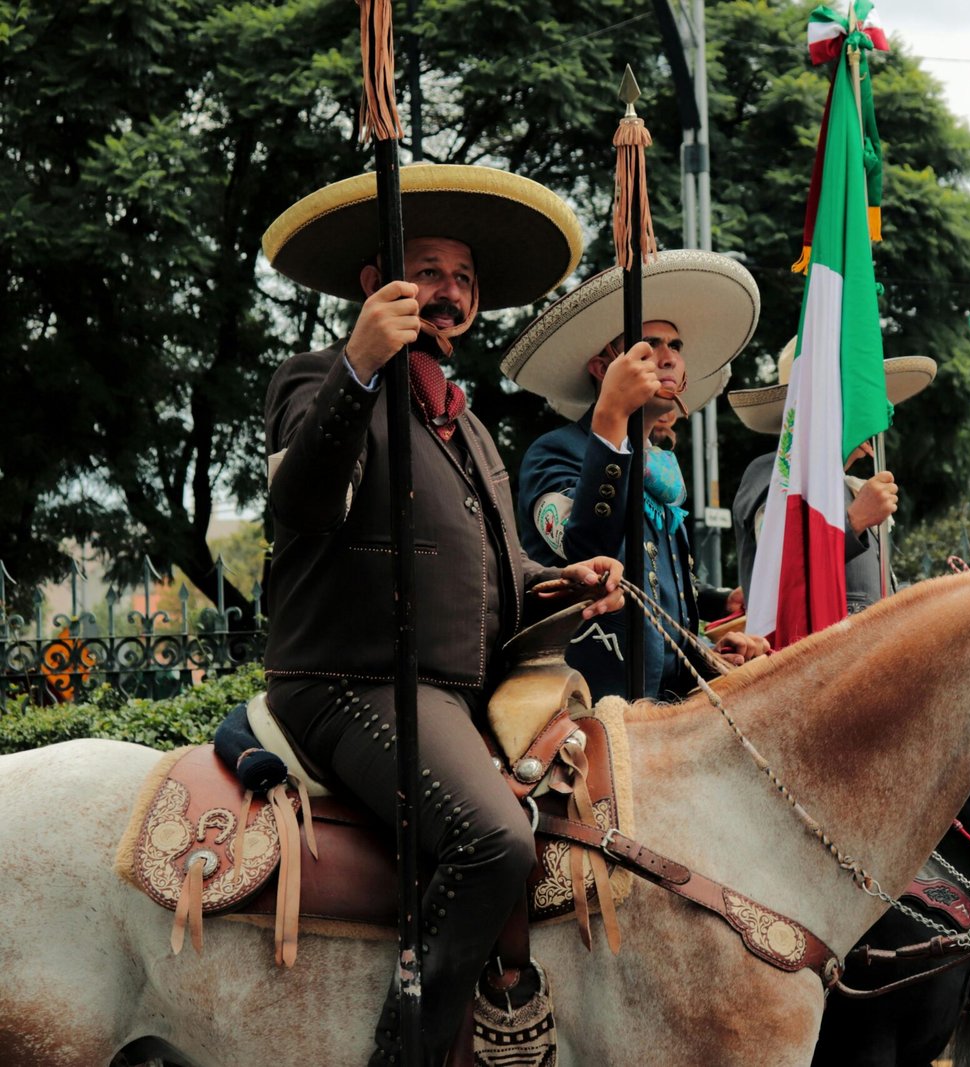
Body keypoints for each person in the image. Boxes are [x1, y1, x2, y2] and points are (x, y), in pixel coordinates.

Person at [258, 163, 620, 1066]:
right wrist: (358, 364)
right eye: (426, 271)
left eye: (461, 277)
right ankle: (407, 1052)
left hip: (455, 694)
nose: (447, 292)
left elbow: (503, 571)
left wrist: (563, 578)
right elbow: (301, 503)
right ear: (375, 284)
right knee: (496, 841)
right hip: (351, 682)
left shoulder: (468, 423)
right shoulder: (311, 380)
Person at [503, 249, 769, 701]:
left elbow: (659, 587)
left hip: (671, 699)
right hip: (592, 697)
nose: (667, 358)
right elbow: (587, 554)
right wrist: (611, 420)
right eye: (649, 346)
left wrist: (714, 638)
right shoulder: (553, 452)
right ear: (602, 369)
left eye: (676, 347)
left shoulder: (660, 469)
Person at [728, 338, 937, 614]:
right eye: (857, 401)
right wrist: (855, 521)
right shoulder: (772, 473)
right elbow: (779, 575)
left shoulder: (848, 489)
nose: (874, 417)